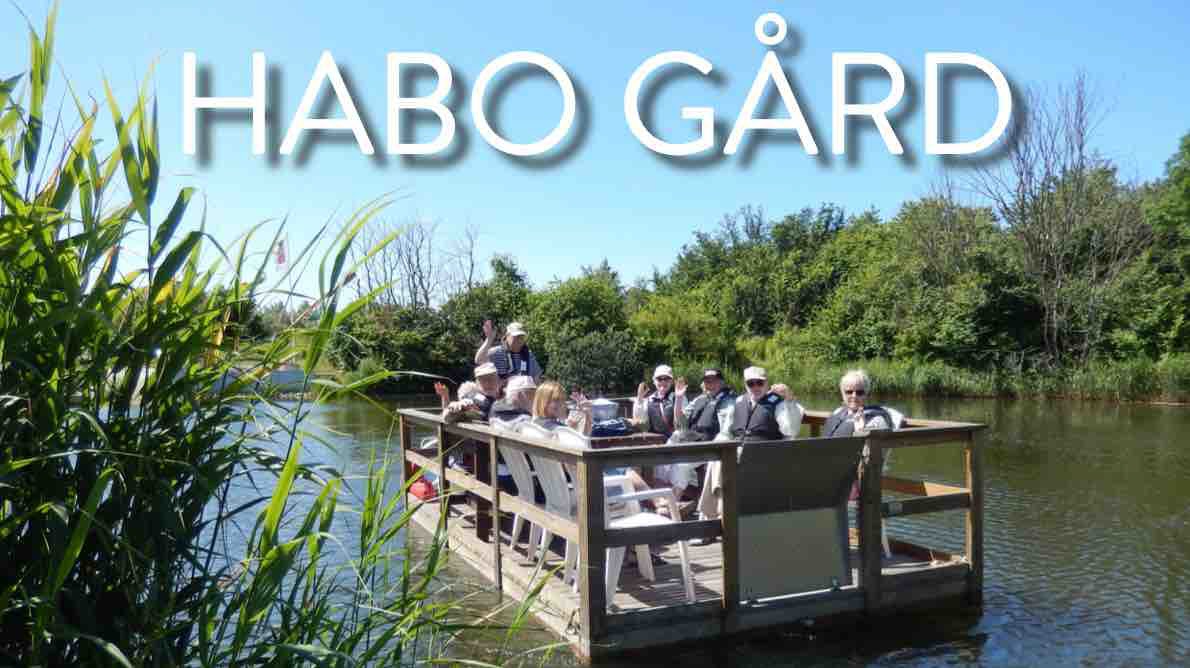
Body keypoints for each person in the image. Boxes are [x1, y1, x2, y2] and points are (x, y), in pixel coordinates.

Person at [696, 366, 804, 535]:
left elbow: (790, 430)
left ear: (766, 383)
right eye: (750, 383)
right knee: (717, 460)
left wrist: (789, 400)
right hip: (737, 452)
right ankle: (718, 515)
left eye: (759, 383)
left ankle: (713, 519)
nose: (755, 387)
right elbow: (726, 432)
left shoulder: (779, 403)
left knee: (722, 464)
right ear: (745, 384)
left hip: (764, 455)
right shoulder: (739, 402)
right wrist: (717, 447)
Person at [822, 369, 894, 436]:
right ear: (842, 394)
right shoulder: (837, 412)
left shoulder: (877, 421)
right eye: (849, 392)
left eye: (859, 392)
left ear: (866, 395)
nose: (854, 396)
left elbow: (878, 445)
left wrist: (861, 431)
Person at [474, 319, 543, 383]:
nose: (519, 340)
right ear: (507, 336)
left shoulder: (528, 355)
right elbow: (479, 360)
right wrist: (489, 339)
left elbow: (536, 377)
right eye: (516, 337)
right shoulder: (497, 352)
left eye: (521, 337)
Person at [632, 365, 680, 437]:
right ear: (654, 381)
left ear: (672, 381)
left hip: (675, 439)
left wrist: (679, 399)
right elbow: (640, 422)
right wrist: (639, 399)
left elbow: (681, 424)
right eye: (659, 379)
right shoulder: (648, 400)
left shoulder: (679, 397)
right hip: (654, 440)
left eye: (667, 379)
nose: (663, 381)